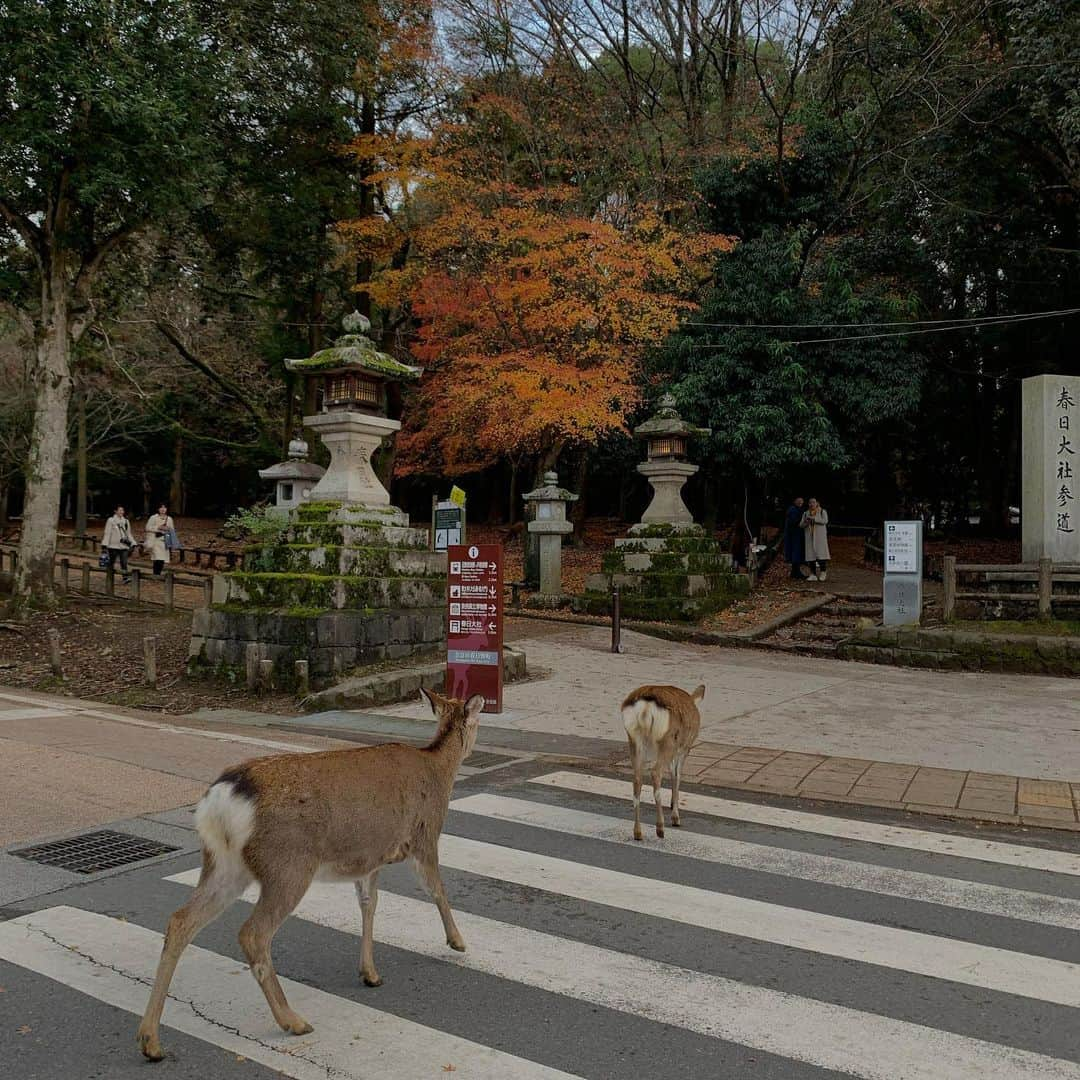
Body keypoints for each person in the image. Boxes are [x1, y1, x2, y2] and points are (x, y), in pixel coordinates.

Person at [102, 505, 136, 584]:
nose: (121, 512)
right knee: (112, 561)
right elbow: (107, 533)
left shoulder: (126, 521)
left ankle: (125, 577)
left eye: (122, 510)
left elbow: (128, 533)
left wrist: (133, 542)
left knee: (124, 562)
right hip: (113, 545)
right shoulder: (111, 520)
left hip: (123, 545)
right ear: (115, 511)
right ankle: (109, 576)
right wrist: (105, 544)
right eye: (120, 510)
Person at [801, 497, 830, 581]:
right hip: (809, 537)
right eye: (810, 502)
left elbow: (825, 521)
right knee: (811, 557)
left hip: (820, 537)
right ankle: (813, 574)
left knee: (821, 555)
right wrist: (806, 522)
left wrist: (814, 519)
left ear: (817, 503)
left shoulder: (822, 511)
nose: (811, 504)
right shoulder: (806, 513)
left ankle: (823, 572)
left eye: (813, 502)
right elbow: (801, 525)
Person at [145, 503, 176, 577]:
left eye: (164, 508)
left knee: (162, 559)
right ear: (158, 509)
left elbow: (172, 530)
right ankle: (156, 574)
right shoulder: (153, 517)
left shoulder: (169, 519)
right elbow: (147, 528)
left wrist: (168, 529)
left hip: (164, 541)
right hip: (156, 540)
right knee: (157, 558)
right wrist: (158, 528)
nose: (163, 509)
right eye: (161, 508)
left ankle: (158, 574)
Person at [784, 496, 805, 579]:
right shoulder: (792, 510)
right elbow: (794, 522)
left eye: (801, 501)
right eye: (798, 501)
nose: (800, 502)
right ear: (795, 501)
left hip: (797, 535)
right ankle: (796, 572)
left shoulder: (799, 510)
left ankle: (795, 572)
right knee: (795, 553)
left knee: (797, 553)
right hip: (793, 535)